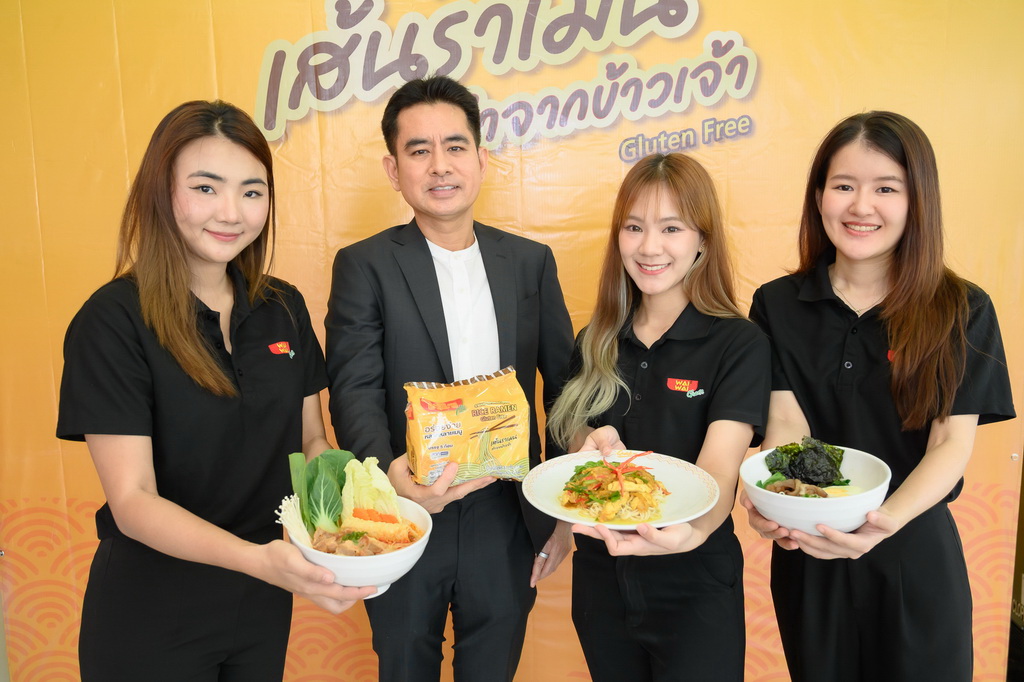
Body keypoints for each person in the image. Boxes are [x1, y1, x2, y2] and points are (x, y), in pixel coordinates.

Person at [56, 100, 375, 682]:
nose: (231, 212)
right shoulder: (113, 321)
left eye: (252, 192)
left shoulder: (282, 307)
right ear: (162, 192)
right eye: (206, 188)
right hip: (153, 608)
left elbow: (311, 439)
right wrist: (258, 560)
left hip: (261, 601)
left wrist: (353, 521)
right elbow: (133, 500)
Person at [743, 111, 1015, 681]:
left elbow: (950, 443)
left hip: (913, 550)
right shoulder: (777, 304)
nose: (861, 206)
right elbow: (787, 424)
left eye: (886, 189)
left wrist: (881, 522)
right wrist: (780, 500)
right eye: (843, 186)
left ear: (918, 201)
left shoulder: (961, 308)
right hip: (812, 551)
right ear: (819, 197)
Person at [324, 75, 574, 681]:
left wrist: (562, 510)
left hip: (506, 511)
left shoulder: (530, 263)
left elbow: (568, 388)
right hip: (405, 511)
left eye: (455, 146)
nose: (440, 165)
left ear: (481, 159)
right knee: (404, 666)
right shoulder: (364, 265)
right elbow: (354, 387)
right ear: (394, 170)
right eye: (419, 150)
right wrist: (390, 477)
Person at [546, 152, 771, 682]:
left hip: (694, 581)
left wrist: (689, 533)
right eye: (634, 227)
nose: (649, 247)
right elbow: (571, 440)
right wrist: (587, 438)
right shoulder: (595, 339)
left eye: (671, 228)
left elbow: (720, 468)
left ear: (703, 240)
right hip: (600, 580)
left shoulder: (738, 343)